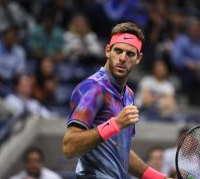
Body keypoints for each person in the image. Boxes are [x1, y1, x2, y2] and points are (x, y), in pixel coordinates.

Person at [62, 22, 171, 179]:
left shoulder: (129, 95)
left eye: (130, 54)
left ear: (138, 58)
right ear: (108, 51)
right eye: (118, 51)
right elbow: (69, 146)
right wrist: (115, 124)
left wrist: (159, 178)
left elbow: (120, 151)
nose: (122, 58)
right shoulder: (93, 88)